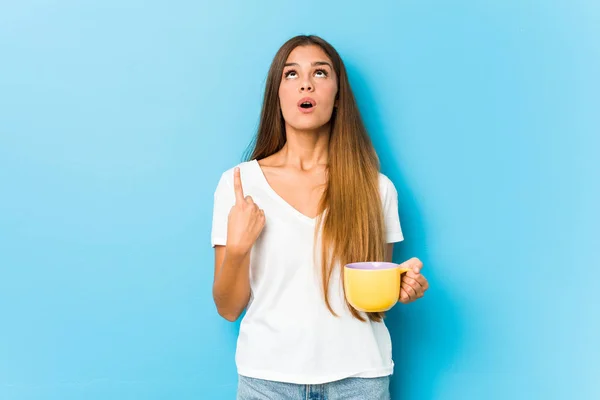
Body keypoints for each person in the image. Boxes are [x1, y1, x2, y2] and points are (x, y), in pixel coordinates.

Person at [210, 34, 429, 400]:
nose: (306, 82)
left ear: (338, 95)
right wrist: (237, 249)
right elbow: (228, 308)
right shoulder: (239, 186)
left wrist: (401, 288)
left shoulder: (376, 189)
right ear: (276, 95)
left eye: (321, 73)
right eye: (291, 74)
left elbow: (372, 303)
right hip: (266, 381)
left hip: (360, 380)